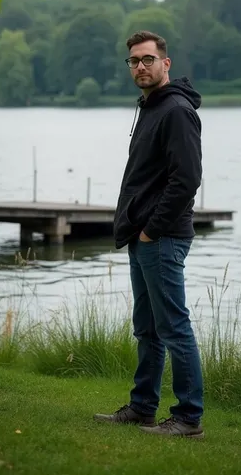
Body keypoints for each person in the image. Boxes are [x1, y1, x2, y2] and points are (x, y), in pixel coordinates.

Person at [93, 30, 204, 439]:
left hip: (162, 237)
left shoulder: (175, 110)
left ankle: (189, 418)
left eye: (148, 59)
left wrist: (151, 231)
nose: (140, 66)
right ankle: (142, 408)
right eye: (134, 61)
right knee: (148, 328)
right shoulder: (150, 107)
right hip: (143, 235)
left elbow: (187, 179)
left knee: (173, 326)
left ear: (165, 63)